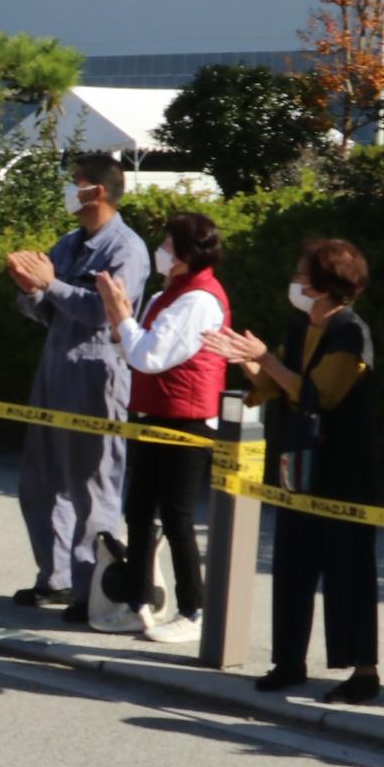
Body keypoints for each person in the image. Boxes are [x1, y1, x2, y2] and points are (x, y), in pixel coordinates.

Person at [206, 240, 380, 703]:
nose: (296, 282)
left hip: (345, 468)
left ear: (326, 285)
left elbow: (320, 394)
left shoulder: (351, 333)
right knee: (292, 560)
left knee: (348, 567)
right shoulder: (301, 324)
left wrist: (265, 360)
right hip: (298, 462)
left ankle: (363, 671)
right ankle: (288, 661)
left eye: (302, 275)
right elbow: (278, 382)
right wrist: (245, 359)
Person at [4, 153, 147, 618]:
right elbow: (48, 311)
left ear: (98, 192)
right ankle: (56, 578)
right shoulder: (68, 243)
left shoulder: (127, 249)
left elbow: (105, 313)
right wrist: (30, 290)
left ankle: (96, 593)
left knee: (92, 487)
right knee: (40, 482)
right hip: (55, 371)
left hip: (96, 376)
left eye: (77, 183)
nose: (71, 190)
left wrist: (54, 286)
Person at [95, 211, 228, 634]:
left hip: (188, 421)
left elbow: (150, 356)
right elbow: (134, 351)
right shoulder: (166, 294)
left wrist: (121, 317)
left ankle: (193, 610)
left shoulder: (199, 299)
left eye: (169, 244)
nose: (162, 250)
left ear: (187, 254)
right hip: (155, 413)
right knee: (137, 511)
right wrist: (122, 326)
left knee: (178, 516)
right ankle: (137, 601)